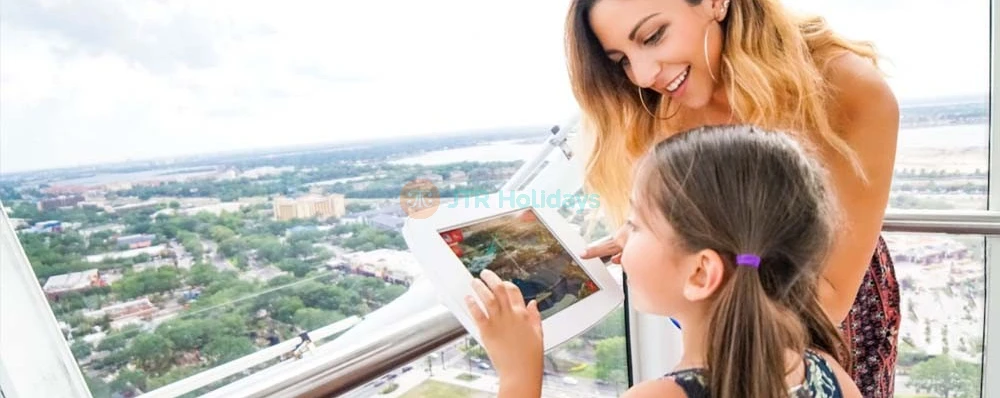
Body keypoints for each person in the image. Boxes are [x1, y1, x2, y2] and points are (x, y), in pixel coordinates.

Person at [566, 0, 900, 395]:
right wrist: (653, 238)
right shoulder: (655, 107)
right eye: (621, 59)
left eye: (654, 36)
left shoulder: (845, 85)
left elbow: (827, 300)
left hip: (821, 315)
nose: (642, 75)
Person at [466, 126, 862, 398]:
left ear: (701, 272)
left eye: (635, 225)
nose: (620, 238)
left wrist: (519, 373)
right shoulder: (827, 371)